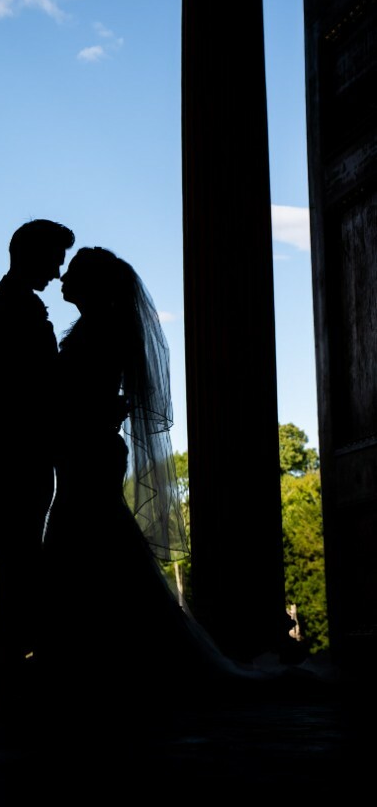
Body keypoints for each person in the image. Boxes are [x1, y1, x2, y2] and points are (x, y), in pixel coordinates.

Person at [36, 247, 335, 709]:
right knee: (95, 539)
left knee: (83, 537)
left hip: (88, 450)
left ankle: (84, 656)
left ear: (93, 284)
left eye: (72, 273)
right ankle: (95, 654)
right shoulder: (99, 328)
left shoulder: (98, 332)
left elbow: (82, 396)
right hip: (88, 449)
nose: (62, 280)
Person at [0, 219, 75, 701]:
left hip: (14, 443)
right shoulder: (18, 306)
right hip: (20, 447)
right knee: (19, 553)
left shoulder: (8, 301)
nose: (57, 273)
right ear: (31, 255)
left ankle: (11, 661)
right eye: (53, 260)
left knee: (19, 553)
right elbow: (39, 383)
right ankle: (11, 664)